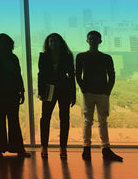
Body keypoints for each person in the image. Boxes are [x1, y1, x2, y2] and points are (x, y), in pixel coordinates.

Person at [76, 30, 123, 162]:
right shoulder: (106, 58)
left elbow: (78, 75)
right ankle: (104, 149)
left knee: (90, 121)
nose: (93, 41)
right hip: (98, 93)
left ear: (100, 41)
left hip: (96, 93)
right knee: (99, 121)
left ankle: (87, 149)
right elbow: (111, 75)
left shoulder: (81, 56)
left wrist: (85, 88)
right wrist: (107, 90)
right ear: (88, 40)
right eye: (91, 39)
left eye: (95, 39)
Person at [0, 33, 30, 158]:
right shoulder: (11, 57)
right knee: (10, 119)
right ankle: (17, 149)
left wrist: (21, 91)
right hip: (7, 93)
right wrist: (21, 91)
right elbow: (17, 75)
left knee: (4, 119)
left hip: (3, 93)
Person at [38, 33, 75, 159]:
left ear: (61, 42)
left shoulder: (67, 56)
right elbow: (41, 75)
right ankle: (44, 146)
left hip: (64, 88)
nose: (53, 43)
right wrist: (41, 92)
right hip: (49, 88)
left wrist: (73, 94)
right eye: (51, 41)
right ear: (48, 43)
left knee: (64, 118)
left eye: (56, 41)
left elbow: (71, 76)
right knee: (45, 118)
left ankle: (63, 147)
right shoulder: (43, 56)